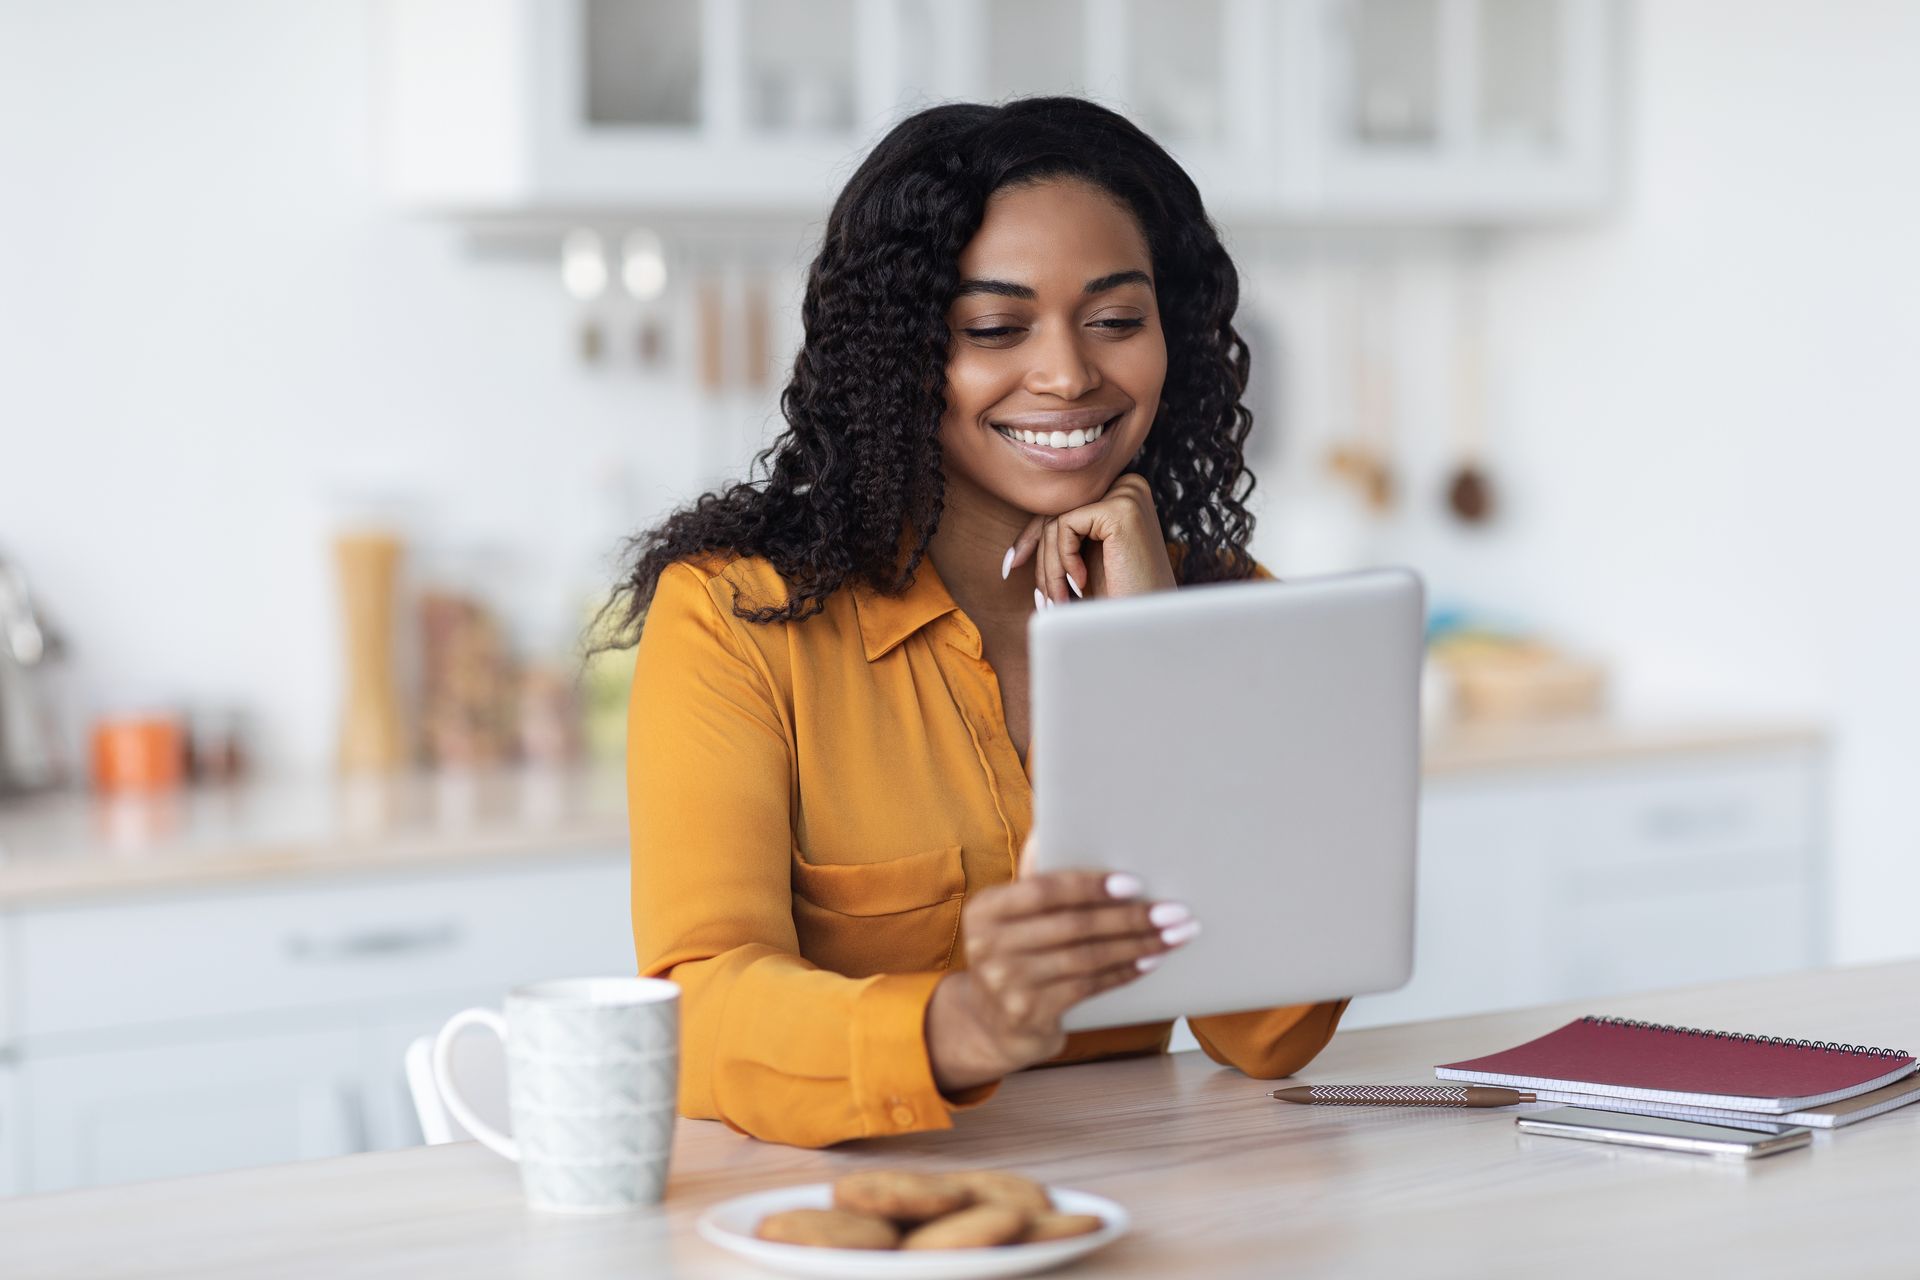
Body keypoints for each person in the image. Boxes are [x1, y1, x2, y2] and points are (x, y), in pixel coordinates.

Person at [603, 97, 1348, 1148]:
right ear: (902, 352)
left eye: (1117, 320)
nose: (1068, 374)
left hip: (1162, 1207)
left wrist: (1155, 650)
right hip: (853, 1206)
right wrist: (964, 1022)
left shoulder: (1224, 606)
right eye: (996, 328)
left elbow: (1272, 1031)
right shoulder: (738, 618)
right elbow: (703, 1002)